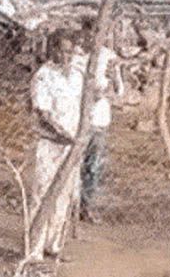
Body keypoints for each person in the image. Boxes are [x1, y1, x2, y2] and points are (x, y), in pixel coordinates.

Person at [31, 32, 83, 258]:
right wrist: (61, 134)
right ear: (52, 50)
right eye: (61, 50)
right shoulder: (43, 76)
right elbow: (42, 114)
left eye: (70, 51)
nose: (66, 56)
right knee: (42, 193)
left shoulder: (78, 76)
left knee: (65, 194)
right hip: (50, 143)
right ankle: (34, 248)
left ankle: (53, 244)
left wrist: (77, 137)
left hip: (72, 145)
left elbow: (85, 105)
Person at [72, 16, 124, 223]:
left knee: (93, 166)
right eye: (91, 32)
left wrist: (110, 85)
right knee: (73, 163)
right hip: (76, 119)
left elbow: (119, 91)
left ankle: (87, 205)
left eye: (99, 33)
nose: (94, 37)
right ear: (84, 33)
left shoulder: (109, 57)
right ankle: (71, 203)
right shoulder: (76, 57)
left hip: (99, 119)